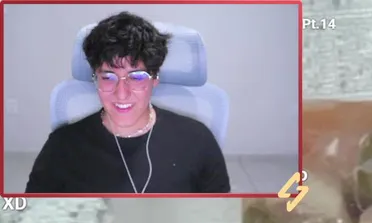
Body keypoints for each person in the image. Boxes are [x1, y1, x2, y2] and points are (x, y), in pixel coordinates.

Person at [25, 12, 230, 194]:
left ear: (154, 78)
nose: (121, 94)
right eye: (108, 77)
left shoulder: (197, 141)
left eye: (137, 77)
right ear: (95, 79)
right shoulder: (62, 146)